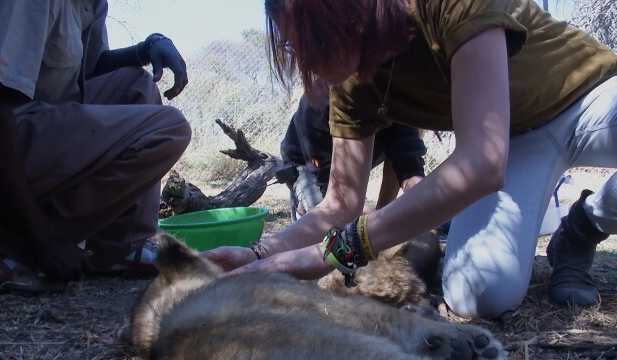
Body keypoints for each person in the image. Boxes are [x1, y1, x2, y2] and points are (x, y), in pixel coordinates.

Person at [204, 0, 617, 319]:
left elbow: (482, 160)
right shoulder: (351, 85)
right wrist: (261, 253)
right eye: (295, 45)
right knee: (481, 294)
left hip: (590, 98)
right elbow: (339, 204)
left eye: (314, 38)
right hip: (519, 144)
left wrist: (334, 252)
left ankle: (593, 220)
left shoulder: (445, 6)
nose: (306, 62)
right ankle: (575, 231)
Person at [0, 0, 192, 293]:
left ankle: (119, 248)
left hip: (40, 123)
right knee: (170, 129)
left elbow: (89, 69)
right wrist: (41, 241)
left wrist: (147, 47)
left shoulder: (92, 4)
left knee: (137, 85)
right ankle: (5, 241)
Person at [280, 93, 427, 221]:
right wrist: (376, 223)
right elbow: (335, 196)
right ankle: (304, 208)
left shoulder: (393, 95)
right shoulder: (317, 103)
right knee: (332, 221)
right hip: (305, 164)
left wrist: (385, 215)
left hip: (348, 157)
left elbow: (406, 163)